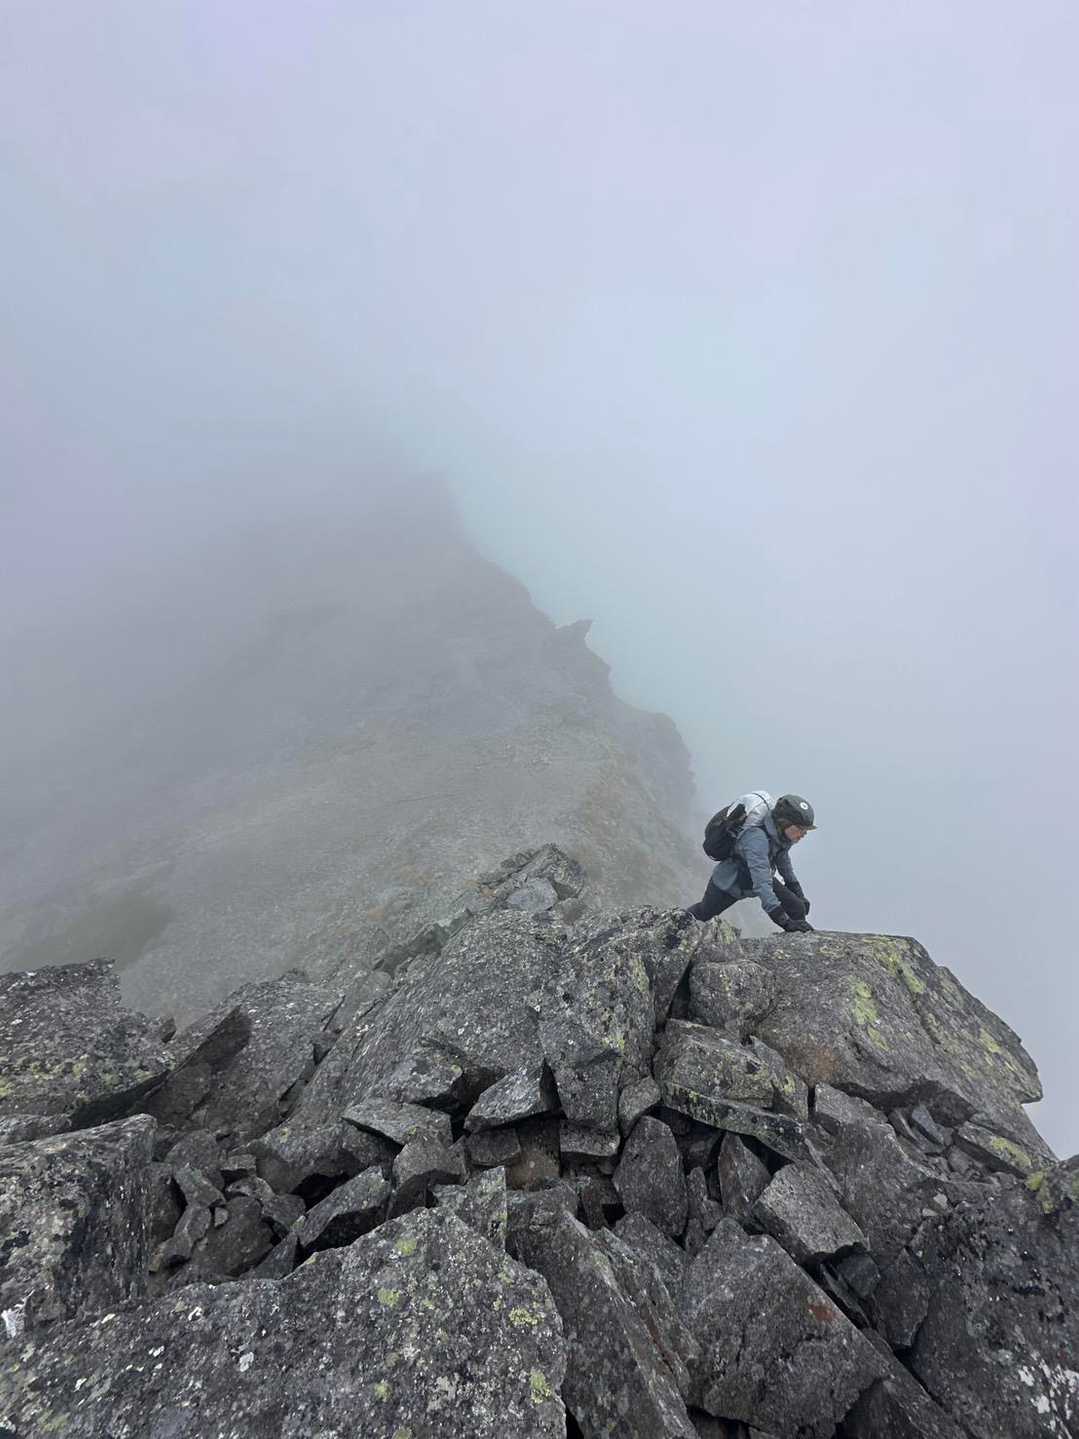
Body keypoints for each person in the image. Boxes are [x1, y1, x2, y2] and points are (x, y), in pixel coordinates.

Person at [688, 793, 816, 932]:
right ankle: (677, 922)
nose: (803, 834)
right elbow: (762, 883)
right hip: (729, 884)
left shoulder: (782, 837)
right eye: (800, 829)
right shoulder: (756, 839)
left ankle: (800, 939)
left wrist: (798, 893)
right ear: (784, 823)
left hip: (752, 877)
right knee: (704, 912)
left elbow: (784, 863)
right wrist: (784, 922)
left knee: (797, 908)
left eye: (805, 830)